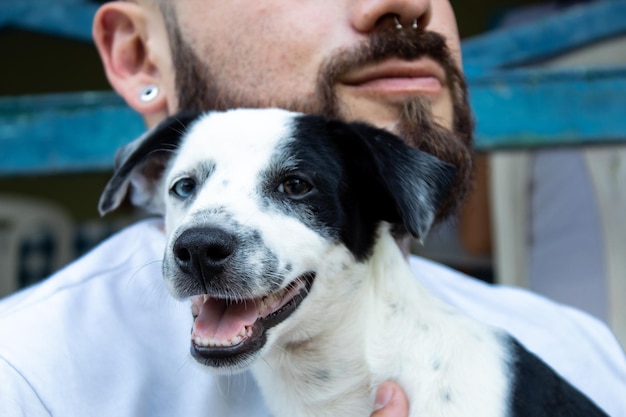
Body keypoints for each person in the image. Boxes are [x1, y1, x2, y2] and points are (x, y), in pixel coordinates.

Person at [0, 0, 624, 416]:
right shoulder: (27, 381)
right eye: (189, 186)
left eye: (295, 185)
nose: (404, 2)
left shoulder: (577, 351)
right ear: (139, 55)